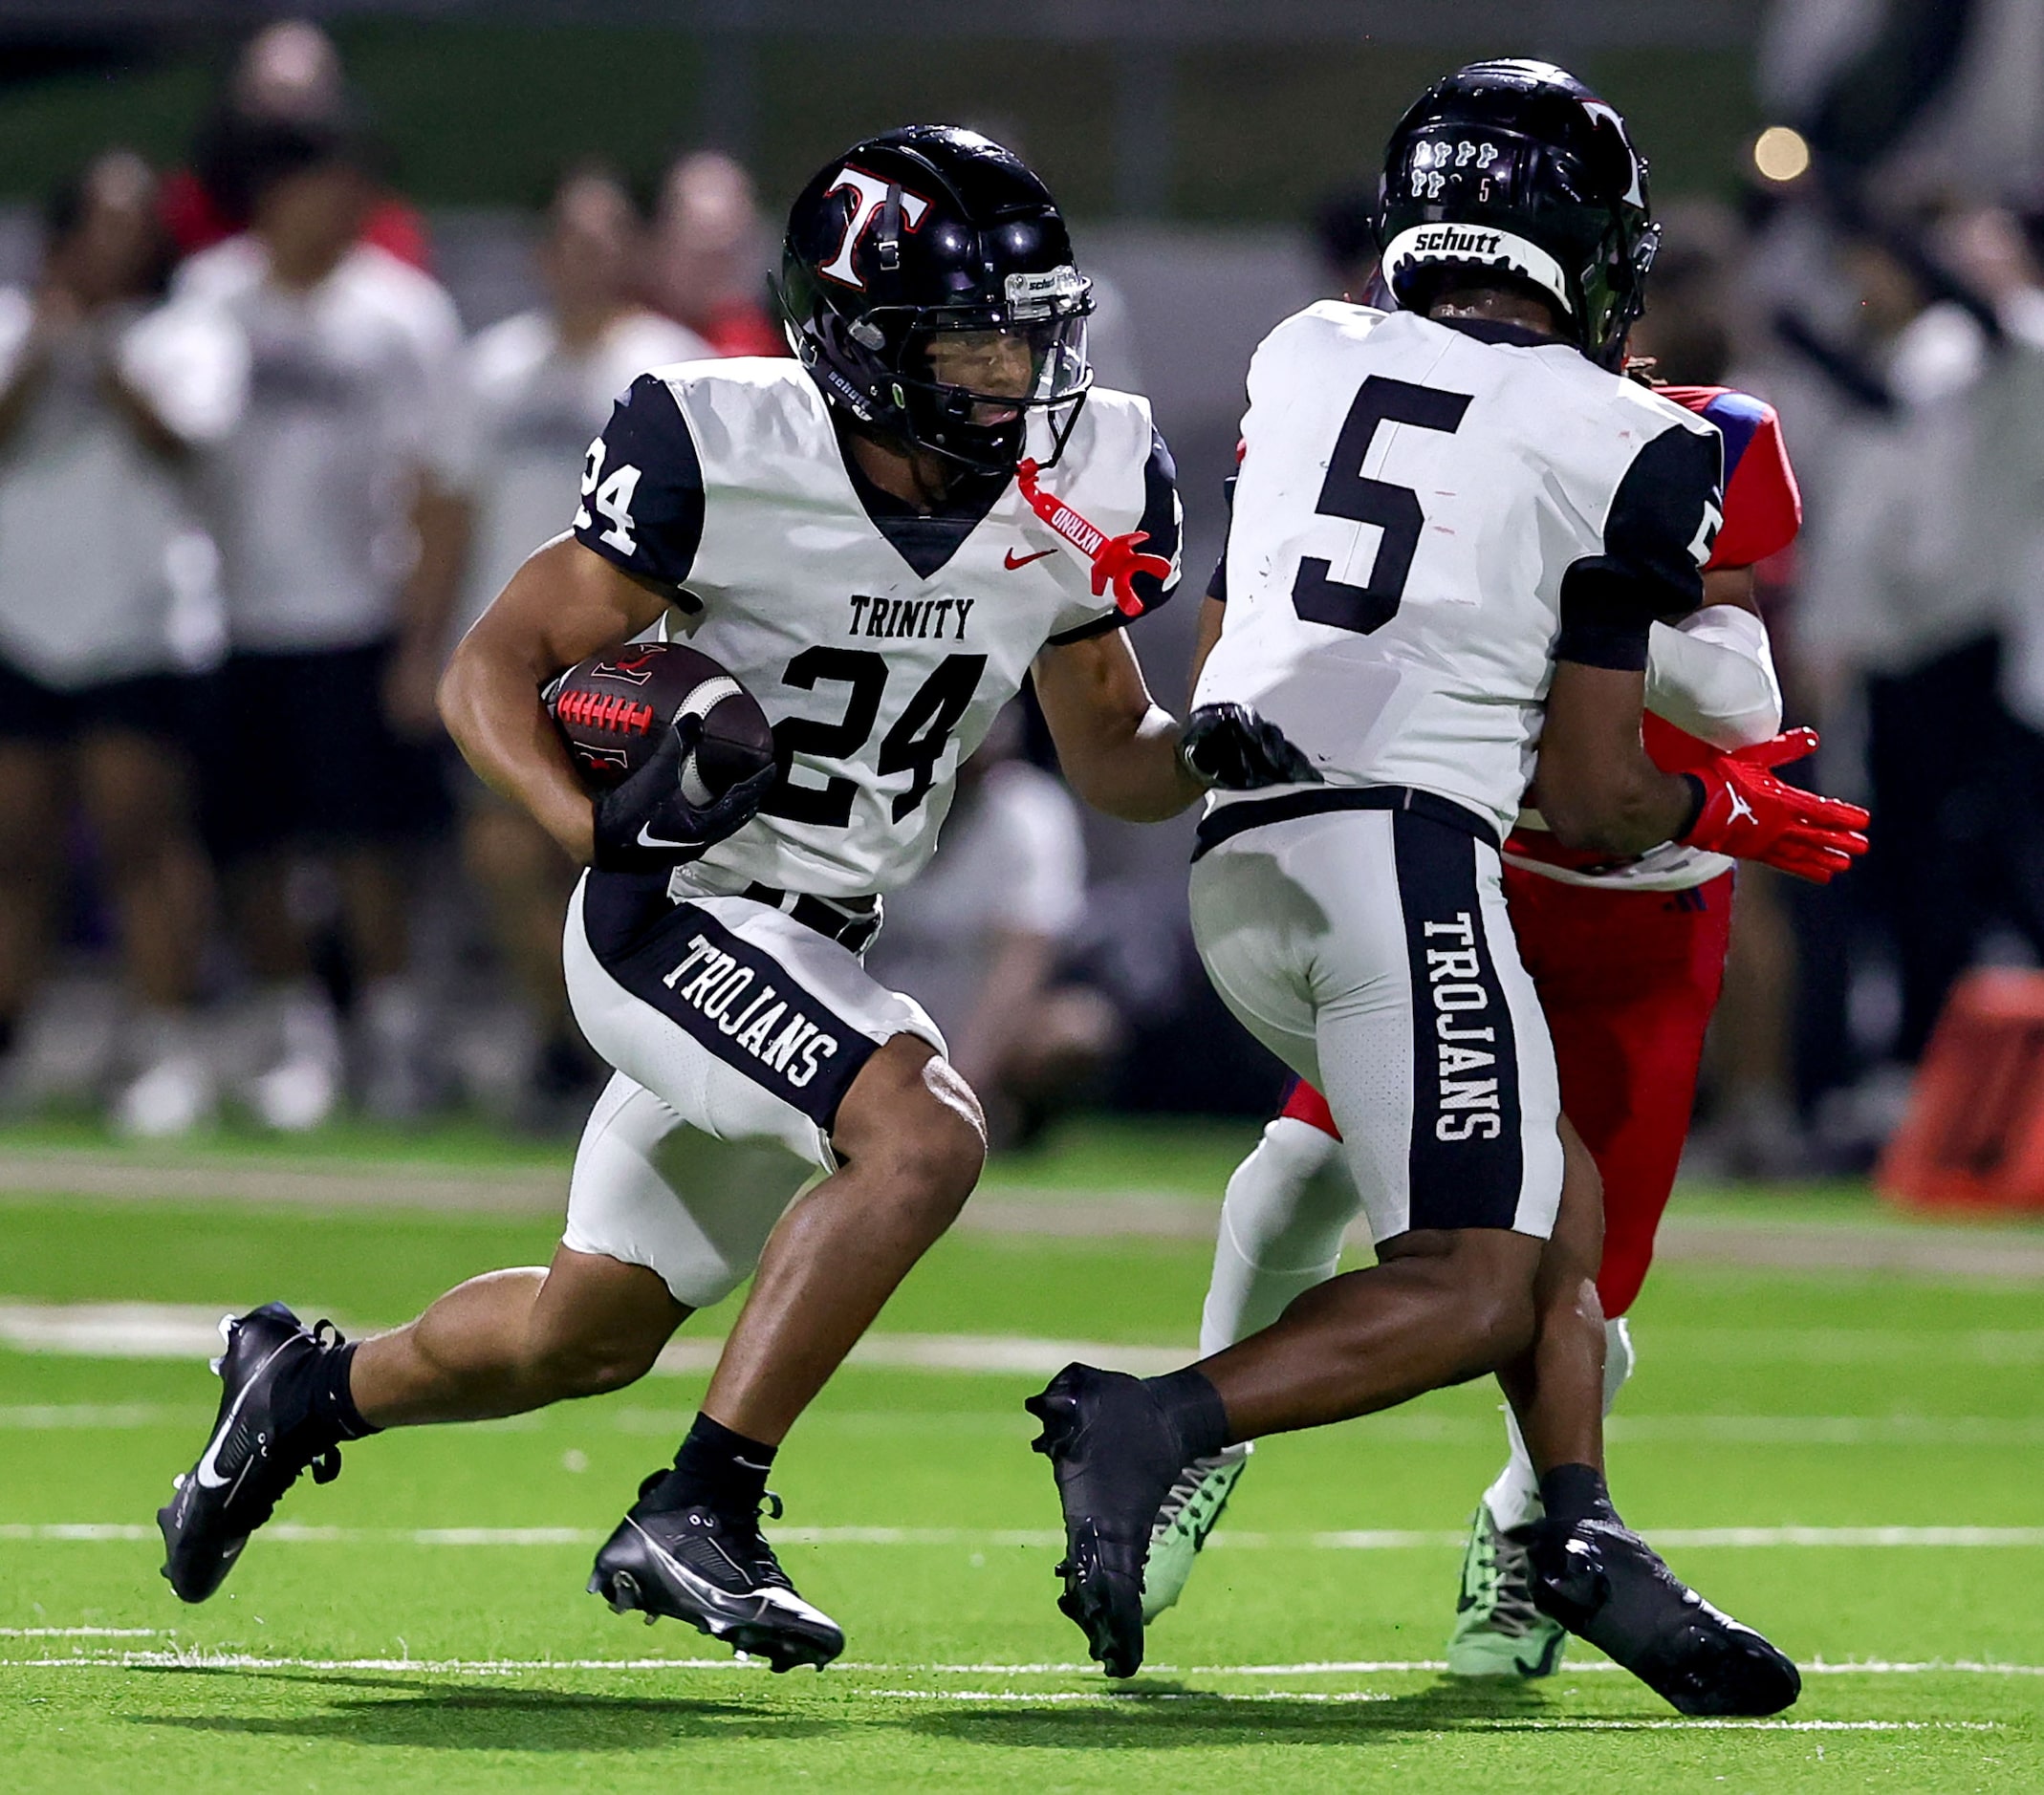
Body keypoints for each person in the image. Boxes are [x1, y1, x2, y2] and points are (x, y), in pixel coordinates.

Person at [156, 125, 1301, 1671]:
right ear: (858, 341)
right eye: (971, 337)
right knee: (922, 1131)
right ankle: (700, 1503)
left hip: (816, 940)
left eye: (1027, 332)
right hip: (675, 902)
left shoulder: (1080, 473)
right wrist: (593, 823)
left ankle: (303, 1384)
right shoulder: (720, 439)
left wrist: (1215, 753)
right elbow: (489, 663)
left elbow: (1111, 757)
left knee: (587, 1329)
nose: (1011, 372)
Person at [1022, 62, 1864, 1717]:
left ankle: (1573, 1529)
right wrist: (1735, 807)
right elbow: (1610, 780)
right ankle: (1164, 1419)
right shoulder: (1628, 436)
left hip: (1236, 851)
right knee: (1478, 1275)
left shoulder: (1305, 352)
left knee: (1554, 1209)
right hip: (1397, 860)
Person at [1142, 375, 1814, 1678]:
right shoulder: (1413, 421)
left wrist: (1542, 613)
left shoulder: (1703, 441)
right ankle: (1203, 1434)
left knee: (1572, 1287)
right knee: (1294, 1169)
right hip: (1464, 887)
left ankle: (1530, 1525)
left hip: (1637, 928)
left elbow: (1725, 695)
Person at [177, 115, 466, 1127]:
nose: (342, 207)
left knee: (365, 846)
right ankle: (291, 1035)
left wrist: (421, 641)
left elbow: (438, 484)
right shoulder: (211, 298)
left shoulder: (402, 316)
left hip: (353, 618)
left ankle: (387, 1036)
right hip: (230, 619)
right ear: (273, 194)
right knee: (252, 846)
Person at [440, 166, 709, 1120]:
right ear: (540, 254)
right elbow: (447, 516)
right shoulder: (493, 371)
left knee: (631, 868)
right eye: (567, 240)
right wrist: (424, 644)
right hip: (516, 657)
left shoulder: (677, 369)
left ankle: (631, 1057)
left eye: (604, 241)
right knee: (506, 854)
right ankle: (568, 1043)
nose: (584, 262)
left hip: (636, 665)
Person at [0, 151, 243, 1135]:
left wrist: (97, 350)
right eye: (96, 222)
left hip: (139, 625)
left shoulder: (189, 333)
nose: (115, 242)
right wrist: (46, 344)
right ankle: (13, 1043)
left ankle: (167, 1044)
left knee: (141, 839)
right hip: (22, 620)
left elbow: (179, 441)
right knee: (14, 847)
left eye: (132, 223)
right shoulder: (17, 325)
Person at [864, 708, 1119, 1146]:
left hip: (976, 1023)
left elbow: (1021, 966)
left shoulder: (1030, 813)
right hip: (872, 1013)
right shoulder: (867, 807)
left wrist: (963, 1089)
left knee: (1077, 1028)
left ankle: (1005, 1123)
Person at [647, 151, 782, 358]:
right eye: (699, 255)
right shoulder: (619, 332)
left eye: (724, 256)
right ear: (662, 240)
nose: (711, 273)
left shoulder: (759, 347)